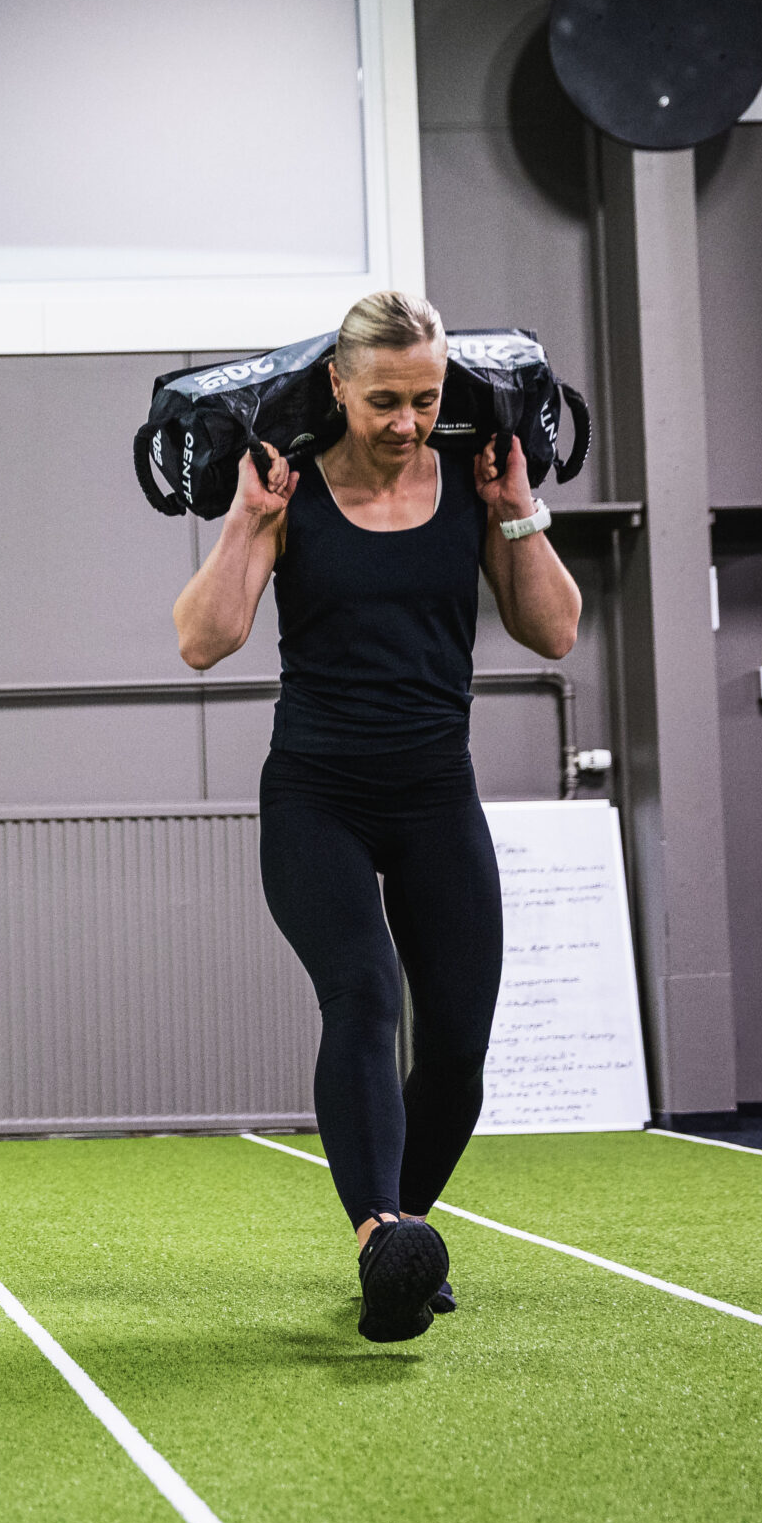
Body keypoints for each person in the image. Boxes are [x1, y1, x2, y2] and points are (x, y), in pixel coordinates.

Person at [170, 291, 580, 1342]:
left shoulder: (472, 483)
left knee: (458, 1047)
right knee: (362, 994)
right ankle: (378, 1234)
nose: (406, 422)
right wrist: (246, 523)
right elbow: (202, 641)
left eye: (425, 400)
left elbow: (554, 633)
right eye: (385, 400)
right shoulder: (291, 488)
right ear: (338, 387)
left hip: (436, 793)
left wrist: (517, 506)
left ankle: (403, 1238)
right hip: (319, 799)